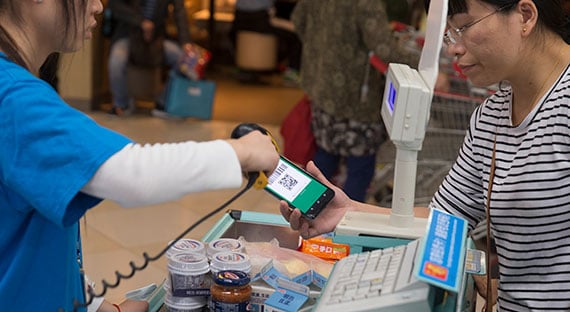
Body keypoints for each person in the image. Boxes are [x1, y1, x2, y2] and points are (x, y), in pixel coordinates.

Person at [280, 0, 570, 310]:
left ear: (524, 16)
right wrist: (348, 211)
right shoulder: (490, 117)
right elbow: (446, 216)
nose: (453, 49)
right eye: (449, 35)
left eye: (465, 27)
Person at [0, 0, 279, 311]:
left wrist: (97, 305)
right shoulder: (13, 98)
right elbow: (129, 173)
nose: (98, 6)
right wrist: (241, 151)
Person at [290, 0, 419, 202]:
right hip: (356, 96)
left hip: (321, 85)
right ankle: (346, 225)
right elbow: (384, 48)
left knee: (325, 156)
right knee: (360, 166)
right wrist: (426, 66)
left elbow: (298, 20)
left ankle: (306, 210)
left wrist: (322, 49)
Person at [106, 0, 192, 116]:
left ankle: (162, 103)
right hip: (128, 34)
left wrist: (185, 42)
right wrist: (140, 22)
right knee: (116, 61)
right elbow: (114, 5)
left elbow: (179, 12)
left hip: (157, 39)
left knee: (184, 60)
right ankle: (121, 104)